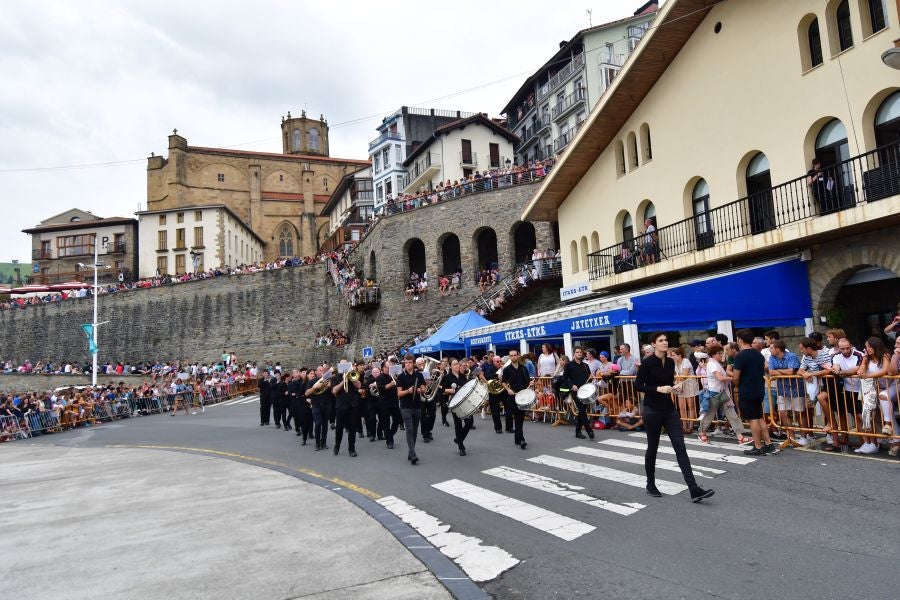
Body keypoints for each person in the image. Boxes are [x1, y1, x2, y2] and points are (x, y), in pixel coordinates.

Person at [634, 331, 713, 502]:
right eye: (661, 340)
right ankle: (650, 484)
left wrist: (673, 387)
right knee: (653, 448)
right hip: (652, 410)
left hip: (669, 410)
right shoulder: (647, 363)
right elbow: (638, 385)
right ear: (654, 344)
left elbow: (669, 383)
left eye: (666, 339)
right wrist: (657, 389)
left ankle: (694, 489)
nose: (665, 342)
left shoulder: (670, 362)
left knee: (680, 447)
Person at [733, 329, 776, 456]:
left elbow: (736, 377)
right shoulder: (759, 354)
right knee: (759, 417)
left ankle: (758, 446)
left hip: (746, 390)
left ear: (740, 340)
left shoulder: (740, 356)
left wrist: (736, 385)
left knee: (752, 419)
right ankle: (768, 443)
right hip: (759, 388)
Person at [698, 343, 752, 445]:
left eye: (721, 353)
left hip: (720, 392)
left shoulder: (714, 363)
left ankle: (740, 436)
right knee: (711, 414)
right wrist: (734, 378)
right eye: (719, 353)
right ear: (714, 354)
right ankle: (702, 432)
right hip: (715, 393)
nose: (721, 355)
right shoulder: (713, 364)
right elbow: (721, 378)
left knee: (731, 414)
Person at [396, 354, 426, 465]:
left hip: (417, 406)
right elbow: (399, 394)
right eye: (406, 362)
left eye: (409, 362)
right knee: (409, 429)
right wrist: (408, 391)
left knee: (414, 430)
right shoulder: (400, 376)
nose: (407, 364)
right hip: (405, 406)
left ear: (413, 363)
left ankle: (410, 451)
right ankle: (413, 454)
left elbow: (423, 388)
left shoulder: (419, 375)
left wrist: (420, 389)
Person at [330, 364, 361, 457]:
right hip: (341, 406)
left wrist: (351, 378)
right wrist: (343, 381)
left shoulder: (352, 374)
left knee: (352, 428)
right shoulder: (335, 377)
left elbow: (359, 385)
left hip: (352, 405)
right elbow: (334, 391)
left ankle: (352, 449)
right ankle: (337, 446)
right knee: (339, 428)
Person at [442, 359, 472, 455]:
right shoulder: (447, 377)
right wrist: (450, 390)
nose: (457, 366)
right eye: (454, 364)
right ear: (450, 366)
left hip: (464, 402)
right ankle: (461, 447)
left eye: (457, 364)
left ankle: (459, 439)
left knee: (469, 423)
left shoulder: (463, 376)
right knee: (458, 424)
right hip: (454, 402)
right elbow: (443, 389)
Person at [501, 349, 530, 449]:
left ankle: (517, 438)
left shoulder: (523, 368)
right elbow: (503, 382)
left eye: (515, 355)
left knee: (521, 418)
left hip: (523, 395)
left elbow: (527, 382)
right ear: (509, 357)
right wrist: (508, 389)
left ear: (518, 356)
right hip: (513, 396)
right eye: (511, 355)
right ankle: (521, 439)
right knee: (517, 417)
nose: (513, 357)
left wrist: (531, 384)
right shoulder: (507, 369)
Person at [564, 347, 594, 440]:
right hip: (575, 391)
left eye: (580, 352)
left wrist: (591, 378)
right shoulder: (569, 365)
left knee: (582, 411)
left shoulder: (585, 365)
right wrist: (572, 385)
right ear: (574, 354)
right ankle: (589, 430)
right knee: (582, 410)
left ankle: (578, 431)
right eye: (577, 352)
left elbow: (590, 377)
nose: (579, 353)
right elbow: (565, 378)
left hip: (585, 391)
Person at [373, 361, 401, 449]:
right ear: (383, 368)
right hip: (384, 403)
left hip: (394, 402)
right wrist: (391, 384)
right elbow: (381, 388)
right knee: (386, 423)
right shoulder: (380, 377)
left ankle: (390, 435)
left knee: (397, 420)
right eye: (388, 367)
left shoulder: (395, 376)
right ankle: (389, 441)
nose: (390, 369)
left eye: (391, 367)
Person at [305, 366, 331, 451]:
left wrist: (330, 385)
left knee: (325, 425)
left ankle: (323, 443)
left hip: (326, 405)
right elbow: (306, 393)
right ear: (316, 372)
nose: (321, 372)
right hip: (316, 405)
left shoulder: (328, 381)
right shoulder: (312, 381)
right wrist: (315, 387)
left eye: (322, 370)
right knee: (318, 424)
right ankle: (317, 443)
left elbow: (333, 392)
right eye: (319, 370)